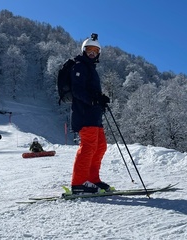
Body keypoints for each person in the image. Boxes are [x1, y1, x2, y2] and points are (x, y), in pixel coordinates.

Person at [70, 33, 111, 194]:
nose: (92, 53)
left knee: (100, 146)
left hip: (94, 115)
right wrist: (93, 101)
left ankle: (93, 179)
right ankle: (79, 183)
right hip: (84, 114)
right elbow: (77, 91)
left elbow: (91, 91)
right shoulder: (79, 66)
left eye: (95, 50)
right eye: (89, 50)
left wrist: (101, 100)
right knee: (88, 147)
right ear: (84, 50)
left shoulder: (91, 68)